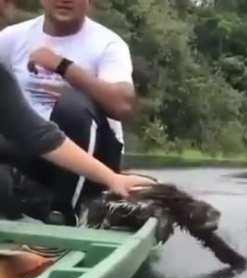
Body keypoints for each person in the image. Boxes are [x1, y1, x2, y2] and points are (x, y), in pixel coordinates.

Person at [0, 0, 153, 219]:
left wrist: (63, 66)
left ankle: (66, 212)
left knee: (70, 104)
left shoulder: (108, 43)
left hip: (90, 154)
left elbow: (124, 106)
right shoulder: (11, 38)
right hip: (32, 146)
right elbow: (31, 132)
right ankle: (31, 204)